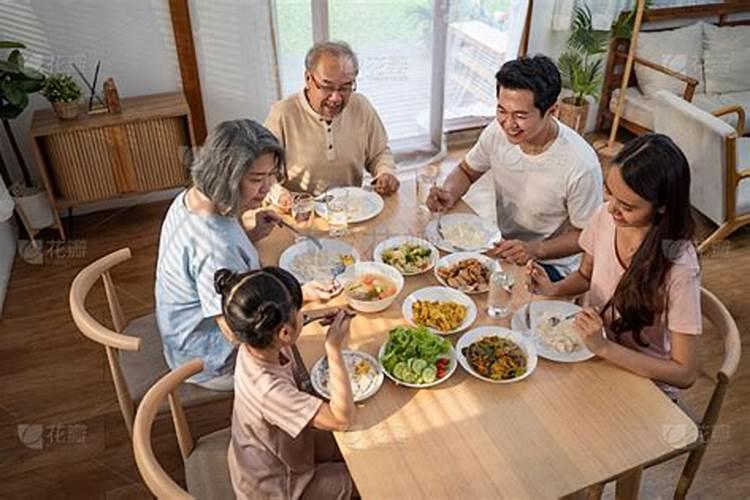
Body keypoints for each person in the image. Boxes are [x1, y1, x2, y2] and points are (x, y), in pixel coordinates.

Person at [155, 120, 331, 391]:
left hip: (181, 335)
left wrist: (249, 235)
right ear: (226, 177)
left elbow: (216, 265)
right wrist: (299, 297)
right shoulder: (215, 248)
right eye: (257, 179)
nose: (268, 188)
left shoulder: (194, 198)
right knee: (321, 356)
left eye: (270, 175)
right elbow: (238, 331)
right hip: (210, 359)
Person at [528, 134, 701, 398]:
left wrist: (604, 348)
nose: (612, 209)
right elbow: (586, 276)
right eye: (610, 193)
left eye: (628, 206)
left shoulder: (679, 267)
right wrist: (552, 289)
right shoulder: (606, 217)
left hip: (643, 381)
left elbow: (685, 373)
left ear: (662, 207)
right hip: (589, 352)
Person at [427, 55, 602, 280]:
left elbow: (587, 234)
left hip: (551, 265)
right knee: (441, 273)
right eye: (502, 110)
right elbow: (466, 171)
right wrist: (449, 193)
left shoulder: (580, 166)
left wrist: (535, 250)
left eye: (520, 115)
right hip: (503, 247)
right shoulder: (496, 132)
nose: (508, 124)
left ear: (552, 111)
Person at [216, 267, 355, 500]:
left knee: (356, 447)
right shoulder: (269, 390)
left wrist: (317, 314)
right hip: (281, 487)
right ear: (284, 333)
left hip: (276, 453)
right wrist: (333, 349)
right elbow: (341, 419)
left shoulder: (255, 341)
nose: (303, 313)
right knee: (369, 475)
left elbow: (284, 327)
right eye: (300, 311)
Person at [264, 40, 399, 208]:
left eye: (345, 87)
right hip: (302, 212)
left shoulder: (361, 106)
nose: (336, 98)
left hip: (351, 209)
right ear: (308, 78)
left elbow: (379, 153)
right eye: (327, 87)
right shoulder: (282, 113)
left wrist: (385, 172)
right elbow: (264, 173)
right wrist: (280, 196)